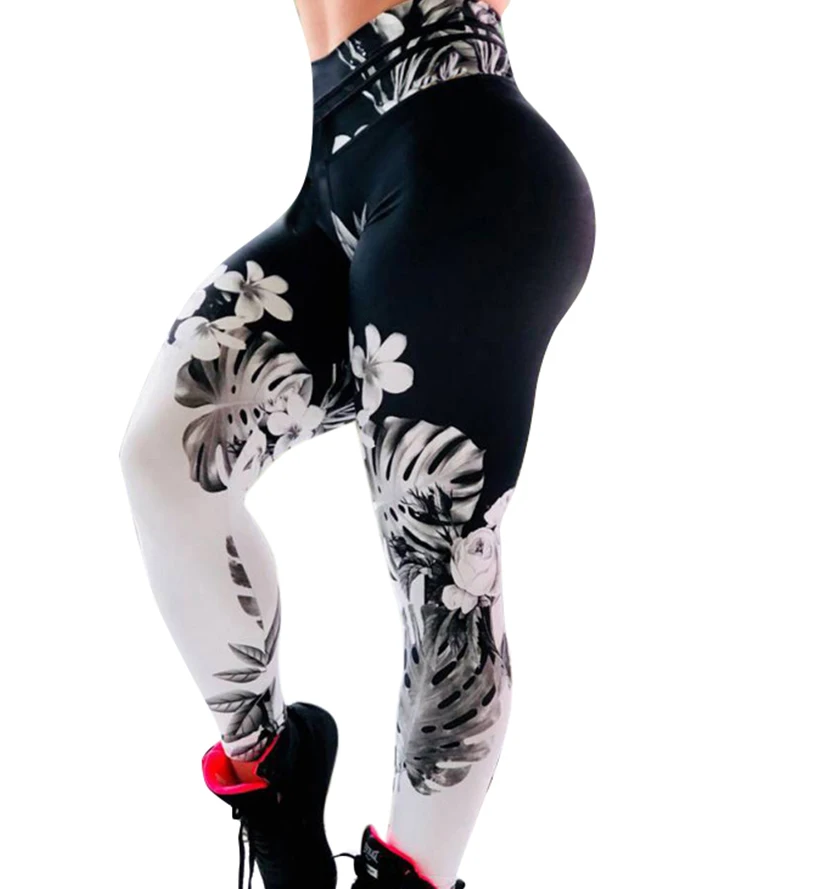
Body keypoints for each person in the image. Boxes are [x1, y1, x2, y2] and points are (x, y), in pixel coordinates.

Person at [118, 1, 595, 887]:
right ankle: (276, 781)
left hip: (471, 166)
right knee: (166, 458)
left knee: (440, 569)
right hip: (341, 175)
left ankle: (409, 877)